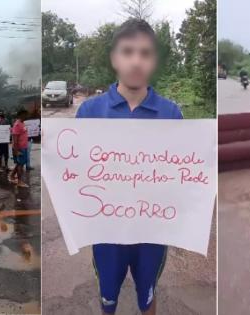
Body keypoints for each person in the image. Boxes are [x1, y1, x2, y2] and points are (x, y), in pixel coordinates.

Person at [75, 19, 183, 315]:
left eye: (145, 53)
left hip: (152, 231)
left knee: (147, 296)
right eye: (128, 51)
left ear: (154, 61)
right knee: (107, 298)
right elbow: (76, 172)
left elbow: (182, 174)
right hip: (107, 232)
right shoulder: (89, 112)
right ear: (114, 58)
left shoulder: (171, 113)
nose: (136, 60)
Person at [9, 109, 29, 188]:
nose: (27, 116)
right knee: (20, 165)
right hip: (19, 148)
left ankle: (12, 176)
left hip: (24, 147)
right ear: (21, 115)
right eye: (26, 115)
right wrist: (16, 151)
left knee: (19, 164)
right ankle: (19, 182)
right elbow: (15, 139)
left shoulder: (22, 123)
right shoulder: (17, 124)